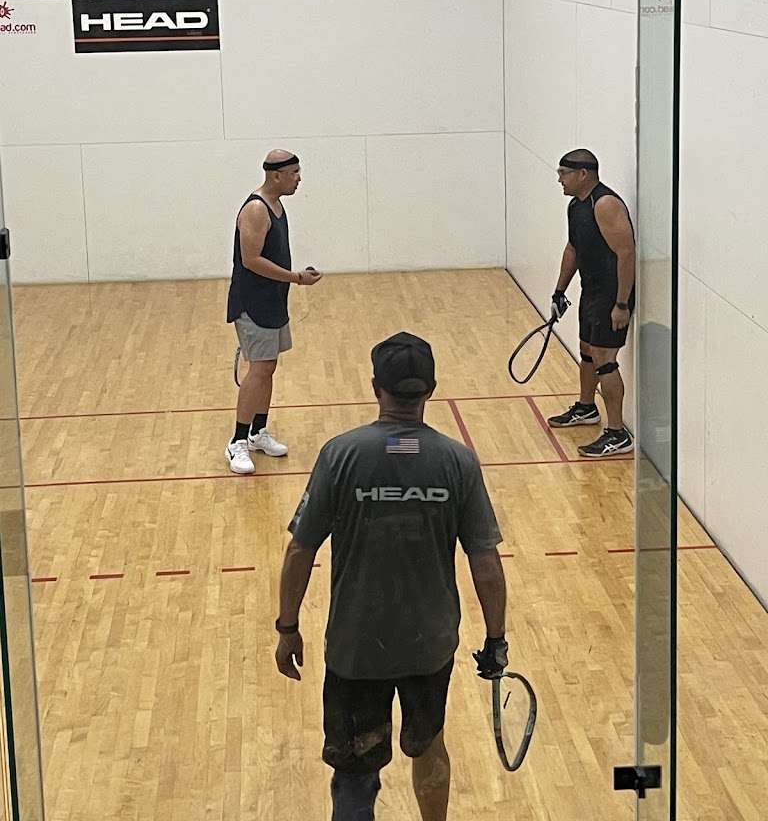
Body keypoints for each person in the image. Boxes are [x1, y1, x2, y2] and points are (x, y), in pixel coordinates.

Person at [275, 332, 508, 821]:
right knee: (430, 746)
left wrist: (288, 627)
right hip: (429, 645)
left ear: (375, 386)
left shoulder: (340, 454)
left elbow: (300, 548)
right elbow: (484, 559)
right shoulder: (458, 461)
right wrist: (495, 640)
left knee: (355, 771)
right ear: (431, 389)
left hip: (357, 646)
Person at [225, 150, 322, 474]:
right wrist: (296, 278)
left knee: (268, 367)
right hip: (252, 303)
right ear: (275, 175)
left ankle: (258, 432)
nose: (299, 179)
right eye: (294, 173)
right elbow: (251, 260)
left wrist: (293, 278)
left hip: (273, 300)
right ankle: (237, 441)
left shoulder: (277, 205)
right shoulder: (256, 209)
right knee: (259, 369)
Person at [547, 149, 636, 457]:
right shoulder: (576, 206)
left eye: (564, 173)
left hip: (612, 294)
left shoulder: (605, 204)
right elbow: (573, 248)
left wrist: (622, 303)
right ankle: (586, 408)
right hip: (592, 290)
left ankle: (617, 433)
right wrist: (559, 291)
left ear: (583, 174)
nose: (560, 179)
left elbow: (627, 253)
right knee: (587, 349)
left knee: (604, 358)